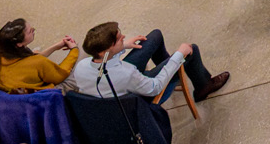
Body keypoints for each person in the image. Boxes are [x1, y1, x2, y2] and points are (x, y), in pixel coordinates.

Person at [67, 20, 227, 105]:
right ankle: (203, 87)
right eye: (118, 39)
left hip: (119, 83)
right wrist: (178, 56)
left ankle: (173, 72)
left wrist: (122, 48)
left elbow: (103, 67)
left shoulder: (83, 65)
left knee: (155, 36)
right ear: (105, 50)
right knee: (191, 50)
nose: (123, 37)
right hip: (140, 94)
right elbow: (154, 87)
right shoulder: (127, 73)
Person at [0, 17, 79, 92]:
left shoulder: (0, 54)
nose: (34, 29)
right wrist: (74, 49)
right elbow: (60, 74)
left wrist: (56, 46)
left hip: (16, 98)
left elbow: (32, 60)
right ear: (19, 44)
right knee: (79, 65)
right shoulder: (38, 62)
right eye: (30, 31)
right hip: (41, 98)